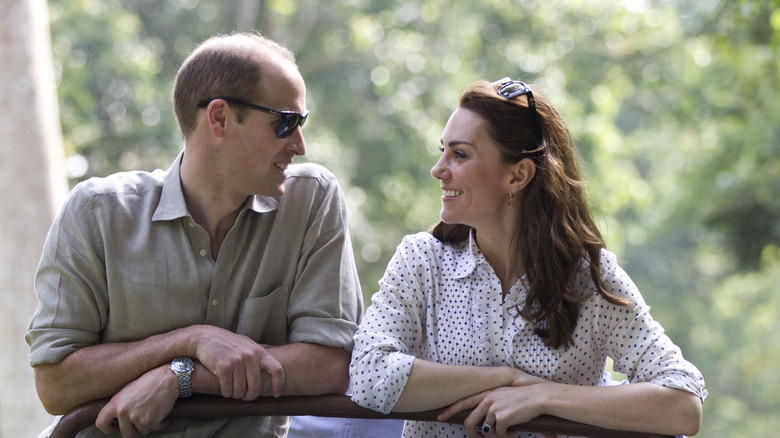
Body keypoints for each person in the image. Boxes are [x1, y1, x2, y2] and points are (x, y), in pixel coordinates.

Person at [26, 32, 363, 438]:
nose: (300, 145)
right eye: (285, 122)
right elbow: (55, 385)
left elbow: (330, 364)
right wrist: (189, 340)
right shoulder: (97, 212)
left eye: (300, 123)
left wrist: (181, 377)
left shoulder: (311, 201)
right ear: (219, 118)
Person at [349, 78, 707, 438]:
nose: (438, 169)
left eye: (459, 154)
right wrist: (505, 380)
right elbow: (368, 372)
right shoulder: (421, 261)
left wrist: (545, 397)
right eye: (442, 151)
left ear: (517, 175)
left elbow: (683, 404)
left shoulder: (587, 278)